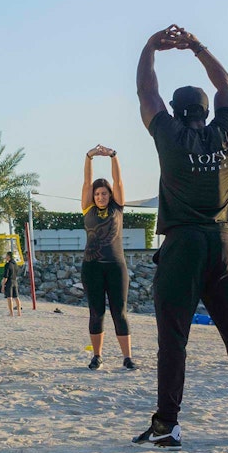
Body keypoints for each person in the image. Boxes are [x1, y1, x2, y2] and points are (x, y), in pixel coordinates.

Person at [133, 25, 228, 449]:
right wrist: (196, 47)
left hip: (182, 246)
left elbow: (145, 93)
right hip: (221, 244)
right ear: (207, 111)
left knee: (174, 339)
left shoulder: (170, 135)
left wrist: (150, 47)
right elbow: (227, 85)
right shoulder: (227, 133)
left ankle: (168, 425)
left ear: (175, 111)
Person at [81, 145, 135, 369]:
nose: (101, 196)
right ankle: (97, 356)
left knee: (119, 313)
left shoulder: (118, 208)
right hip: (92, 267)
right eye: (97, 194)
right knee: (96, 312)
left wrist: (113, 156)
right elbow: (86, 182)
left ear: (110, 195)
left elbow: (119, 180)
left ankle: (127, 358)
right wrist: (89, 157)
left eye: (104, 193)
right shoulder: (87, 209)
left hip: (116, 266)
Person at [3, 252, 21, 317]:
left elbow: (6, 277)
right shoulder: (16, 264)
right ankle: (19, 312)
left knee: (9, 298)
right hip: (15, 281)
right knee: (16, 297)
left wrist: (3, 285)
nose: (5, 257)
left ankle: (11, 313)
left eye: (6, 256)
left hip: (9, 282)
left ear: (9, 256)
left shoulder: (8, 265)